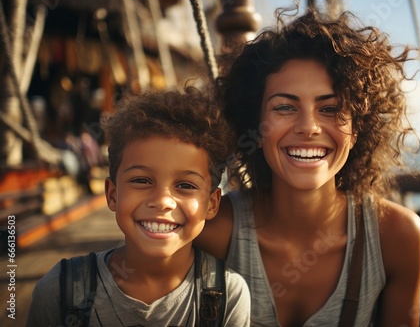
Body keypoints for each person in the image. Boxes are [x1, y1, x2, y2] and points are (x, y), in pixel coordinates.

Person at [195, 8, 420, 327]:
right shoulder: (213, 231)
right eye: (286, 107)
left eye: (330, 108)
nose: (309, 127)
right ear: (255, 124)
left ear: (357, 128)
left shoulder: (397, 237)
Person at [26, 88, 251, 326]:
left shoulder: (229, 296)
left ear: (211, 204)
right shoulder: (59, 293)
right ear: (113, 195)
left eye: (185, 185)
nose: (163, 201)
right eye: (141, 180)